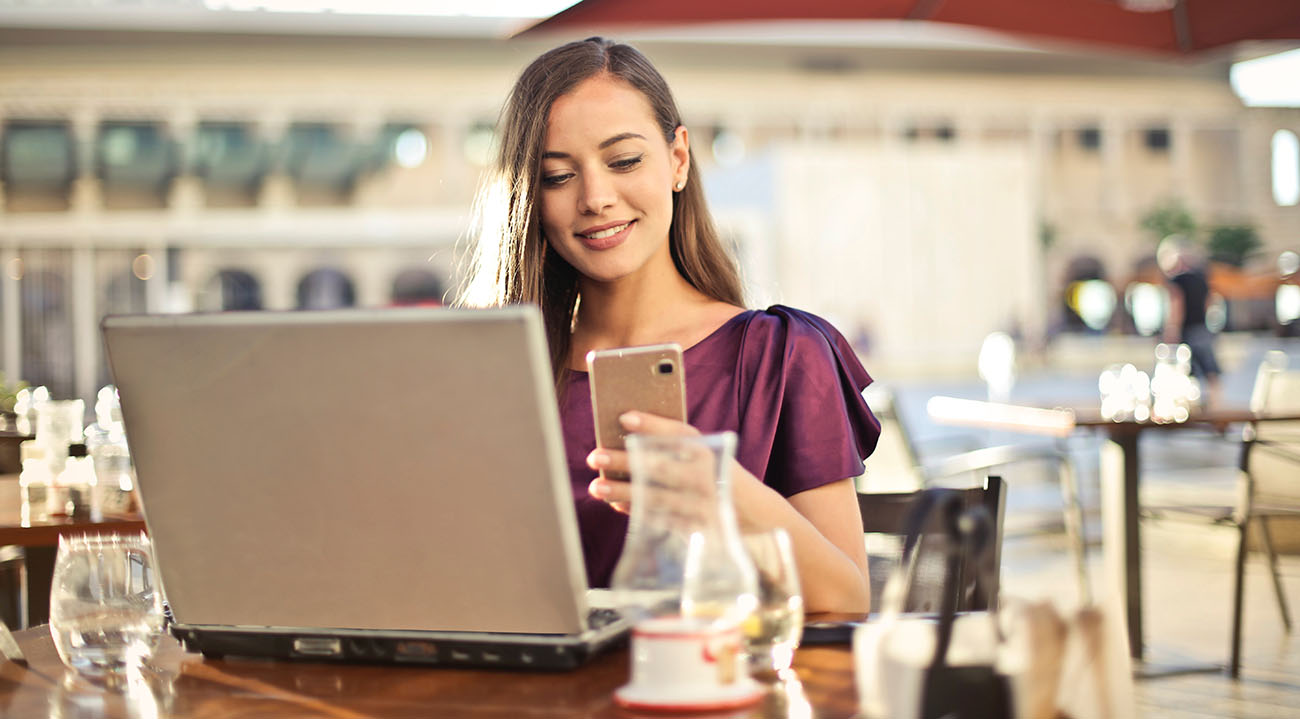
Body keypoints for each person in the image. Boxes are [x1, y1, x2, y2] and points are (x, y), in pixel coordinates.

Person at [456, 37, 880, 613]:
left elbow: (848, 597)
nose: (596, 198)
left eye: (624, 161)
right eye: (558, 176)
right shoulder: (494, 370)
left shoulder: (780, 354)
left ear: (677, 160)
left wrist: (721, 493)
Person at [1158, 234, 1222, 406]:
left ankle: (1184, 404)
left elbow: (1177, 305)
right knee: (1209, 369)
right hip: (1202, 327)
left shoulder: (1177, 281)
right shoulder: (1201, 279)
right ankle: (1216, 403)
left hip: (1186, 329)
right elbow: (1210, 301)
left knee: (1182, 368)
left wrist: (1172, 330)